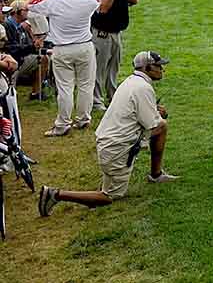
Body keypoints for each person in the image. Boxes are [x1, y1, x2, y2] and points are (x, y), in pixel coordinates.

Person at [38, 51, 177, 215]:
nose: (162, 70)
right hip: (116, 147)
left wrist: (156, 113)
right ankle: (55, 194)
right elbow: (150, 125)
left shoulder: (132, 81)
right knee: (110, 196)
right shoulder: (143, 88)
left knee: (162, 125)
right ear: (147, 67)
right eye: (158, 66)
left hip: (109, 142)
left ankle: (156, 174)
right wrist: (160, 114)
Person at [29, 0, 121, 136]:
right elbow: (100, 2)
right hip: (84, 48)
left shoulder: (55, 3)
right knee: (86, 85)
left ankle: (63, 124)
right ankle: (83, 119)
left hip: (62, 49)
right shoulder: (88, 3)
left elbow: (29, 5)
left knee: (66, 88)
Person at [89, 0, 139, 112]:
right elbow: (103, 9)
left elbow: (135, 0)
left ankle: (112, 95)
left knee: (113, 68)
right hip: (102, 34)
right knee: (99, 69)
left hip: (116, 33)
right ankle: (96, 101)